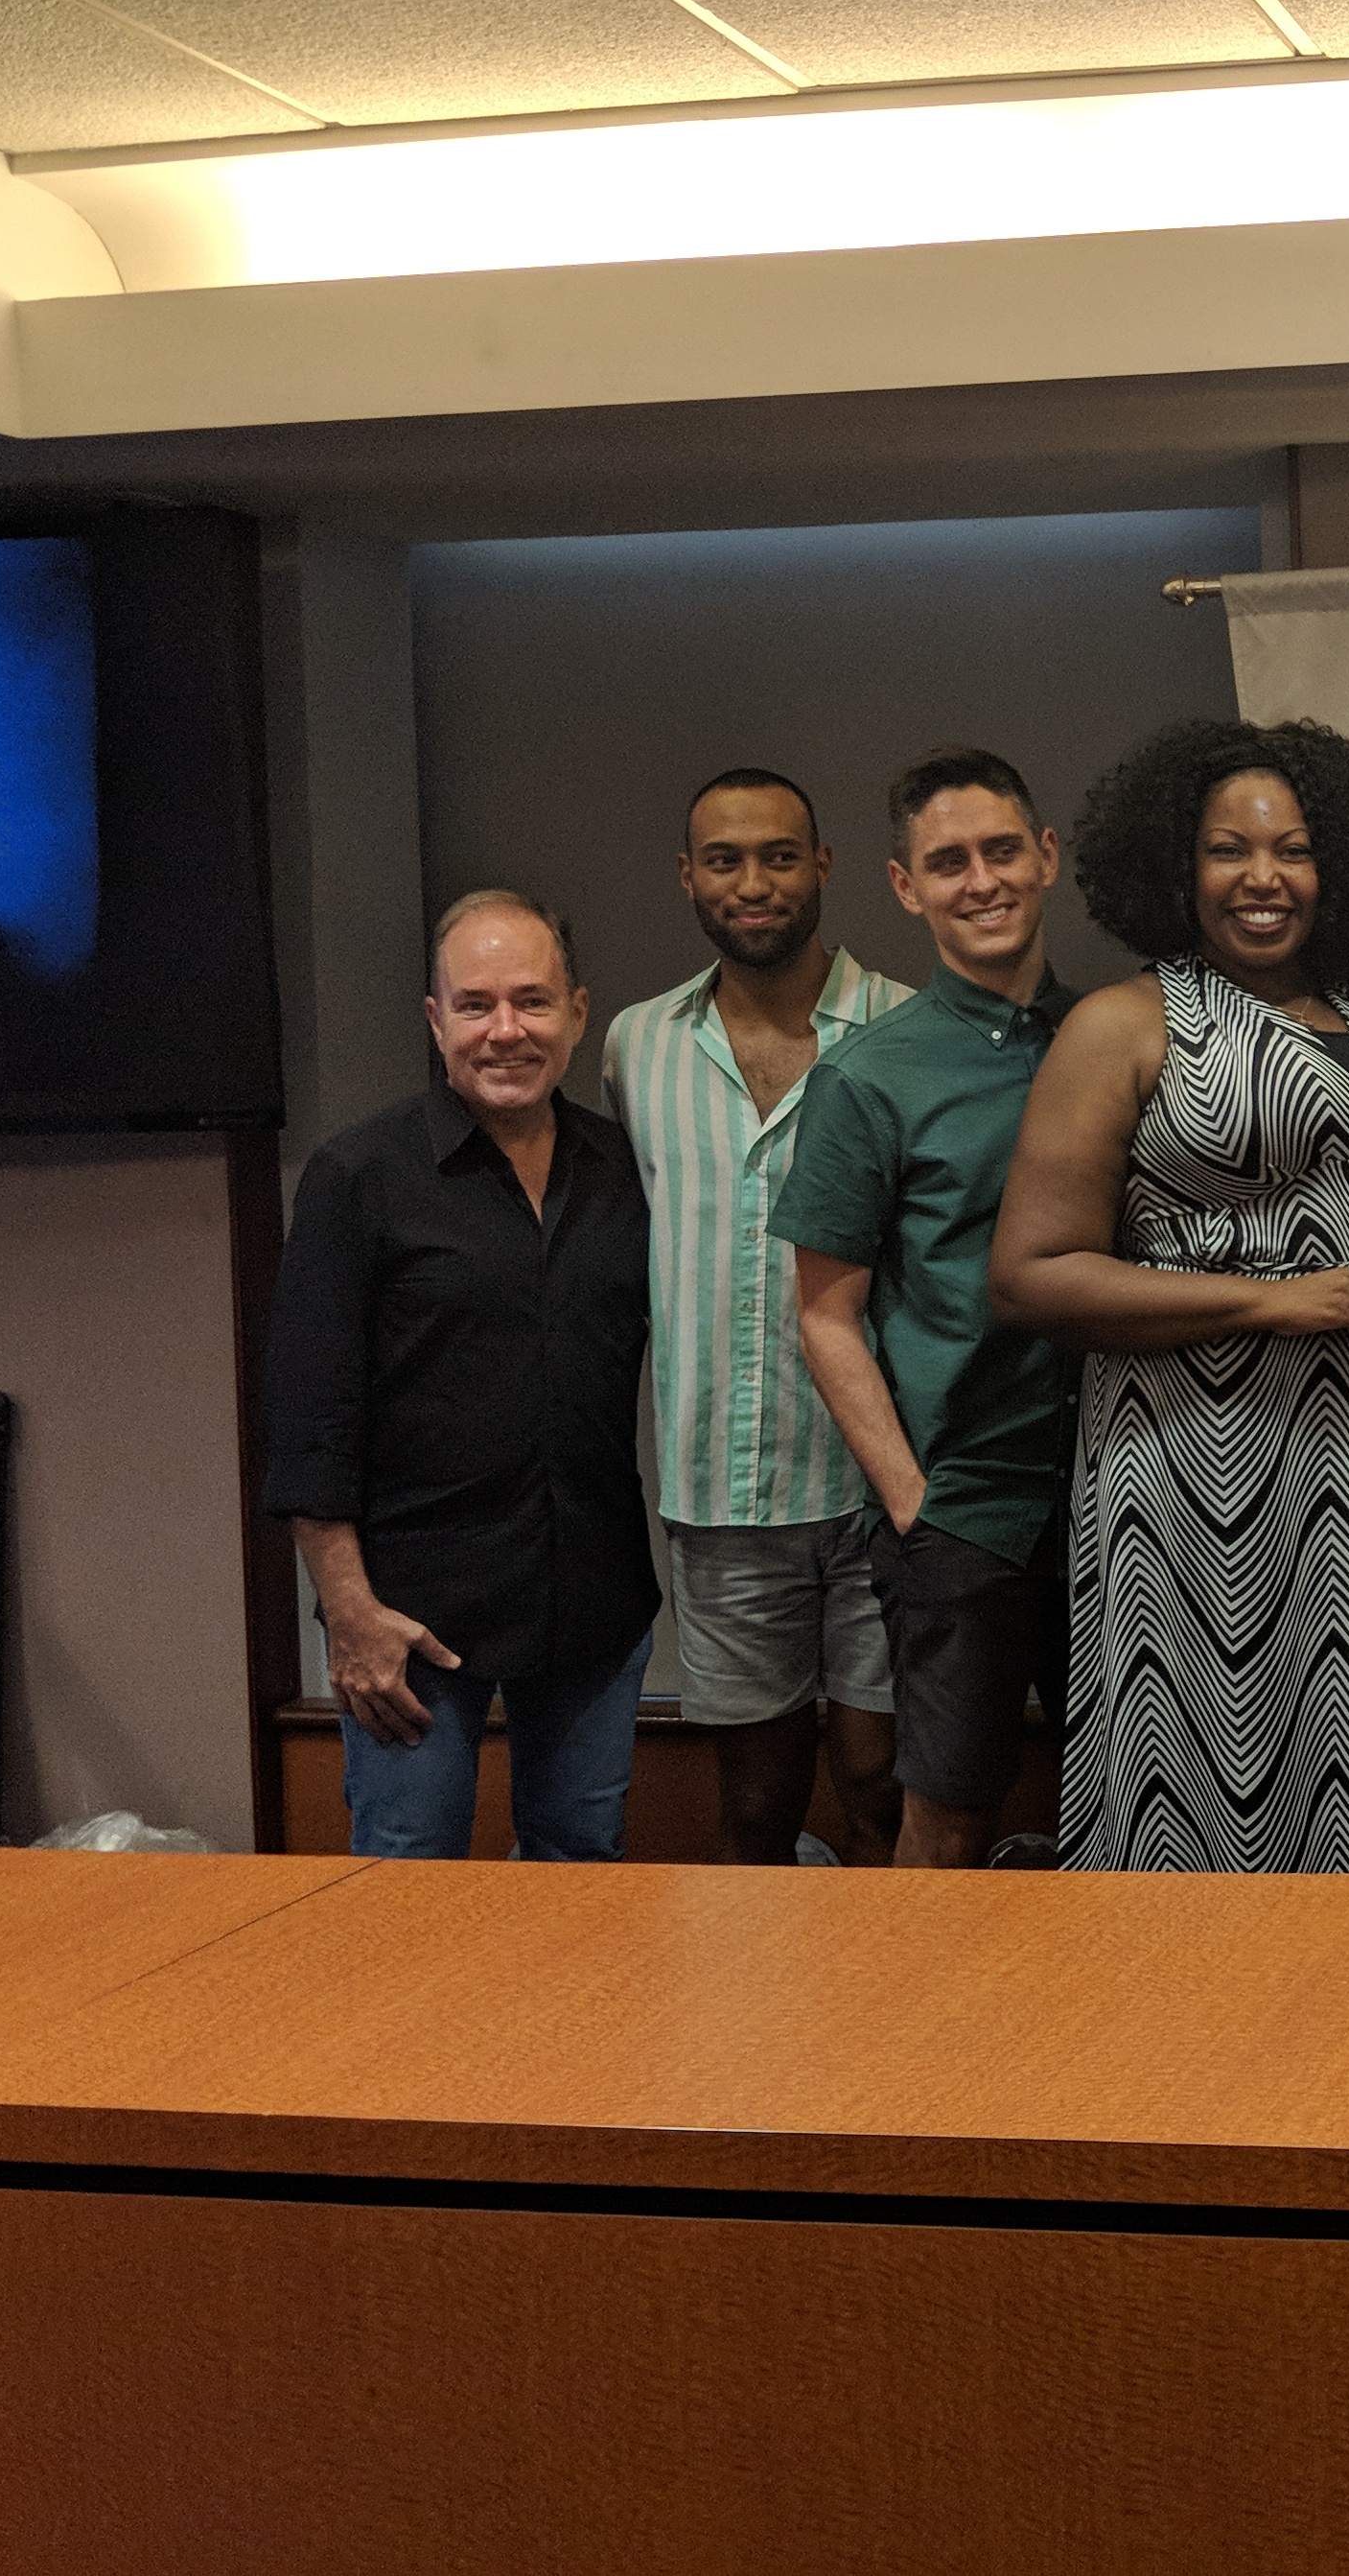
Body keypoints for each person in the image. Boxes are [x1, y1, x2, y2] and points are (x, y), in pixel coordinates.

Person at [988, 715, 1349, 1875]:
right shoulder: (1126, 1025)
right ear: (1179, 867)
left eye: (1295, 848)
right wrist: (1270, 1304)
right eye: (1229, 849)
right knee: (1209, 1796)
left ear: (1342, 868)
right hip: (1195, 1490)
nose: (1263, 877)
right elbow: (1030, 1276)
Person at [264, 889, 654, 1860]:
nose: (506, 1030)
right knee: (407, 1890)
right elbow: (308, 1417)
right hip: (410, 1622)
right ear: (436, 1020)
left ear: (578, 1012)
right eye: (476, 1005)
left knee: (581, 1876)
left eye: (532, 1000)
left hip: (592, 1600)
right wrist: (348, 1614)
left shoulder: (622, 1168)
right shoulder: (358, 1176)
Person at [600, 767, 912, 1866]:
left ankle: (903, 2020)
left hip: (881, 1487)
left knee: (885, 1791)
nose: (754, 882)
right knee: (753, 1809)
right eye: (724, 859)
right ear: (688, 877)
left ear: (823, 867)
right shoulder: (635, 1047)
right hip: (721, 1498)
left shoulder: (903, 1030)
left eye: (780, 855)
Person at [776, 750, 1075, 1869]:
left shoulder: (1119, 1041)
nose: (980, 879)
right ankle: (925, 2046)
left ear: (1048, 858)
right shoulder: (870, 1077)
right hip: (964, 1516)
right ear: (906, 888)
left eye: (1002, 850)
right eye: (947, 863)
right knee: (947, 1816)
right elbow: (825, 1316)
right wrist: (914, 1500)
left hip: (1126, 1503)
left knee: (1142, 1805)